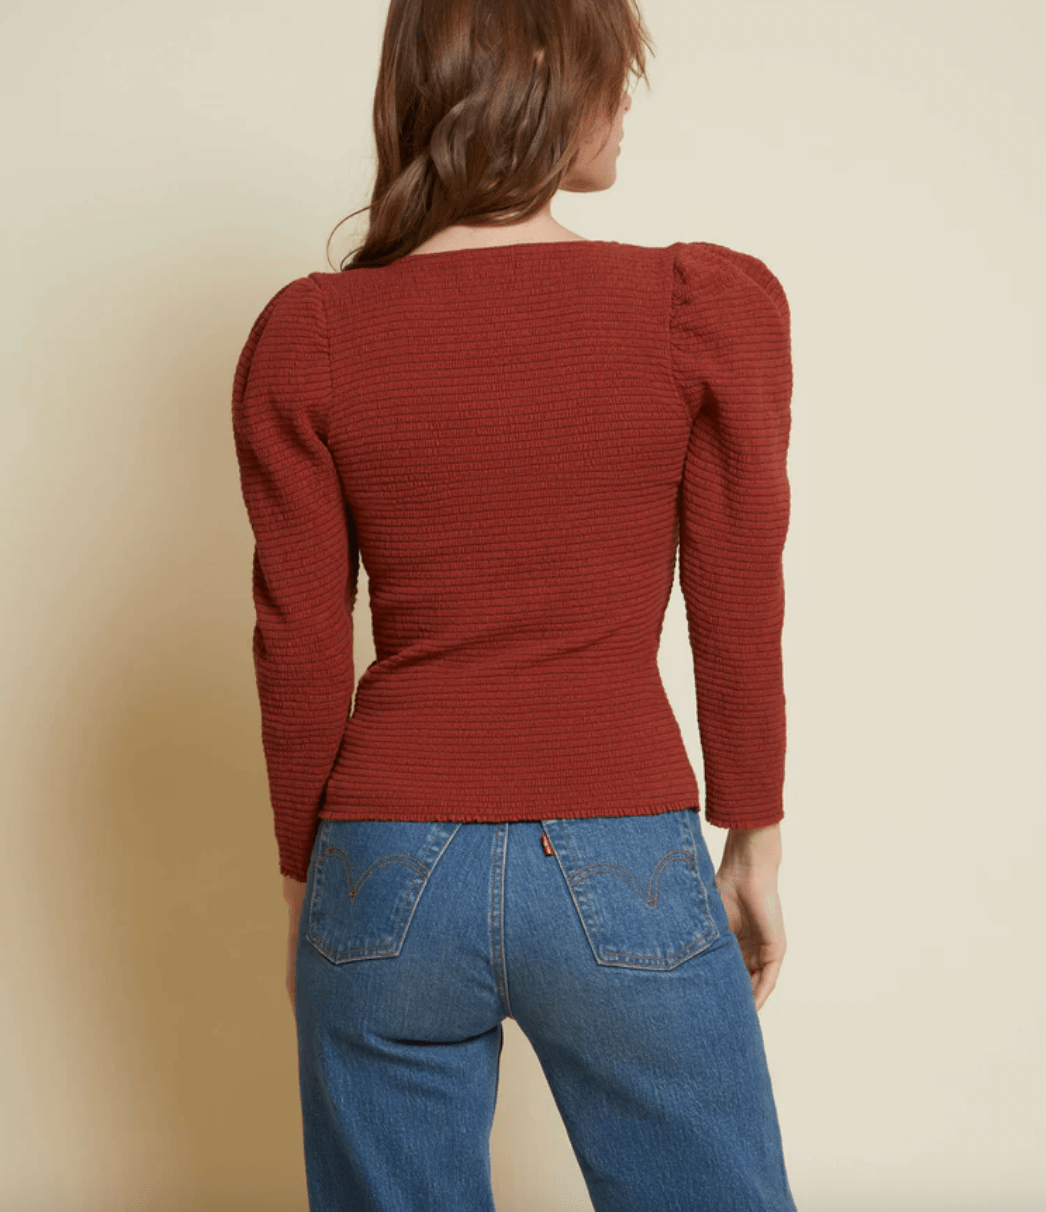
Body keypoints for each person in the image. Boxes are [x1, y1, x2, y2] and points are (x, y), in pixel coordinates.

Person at [230, 0, 798, 1208]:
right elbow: (737, 593)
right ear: (541, 73)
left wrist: (305, 885)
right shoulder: (693, 307)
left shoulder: (310, 334)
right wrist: (751, 833)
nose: (627, 101)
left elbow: (298, 637)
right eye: (612, 72)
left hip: (380, 861)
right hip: (618, 837)